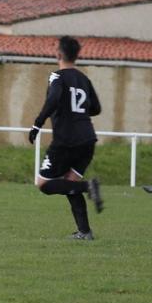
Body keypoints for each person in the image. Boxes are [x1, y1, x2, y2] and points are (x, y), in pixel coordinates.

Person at [28, 35, 104, 240]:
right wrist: (77, 112)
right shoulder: (84, 79)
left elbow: (53, 98)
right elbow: (96, 108)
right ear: (76, 55)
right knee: (70, 183)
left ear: (59, 54)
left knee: (43, 184)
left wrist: (37, 123)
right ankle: (85, 232)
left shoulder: (57, 76)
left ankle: (88, 186)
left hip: (66, 140)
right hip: (88, 139)